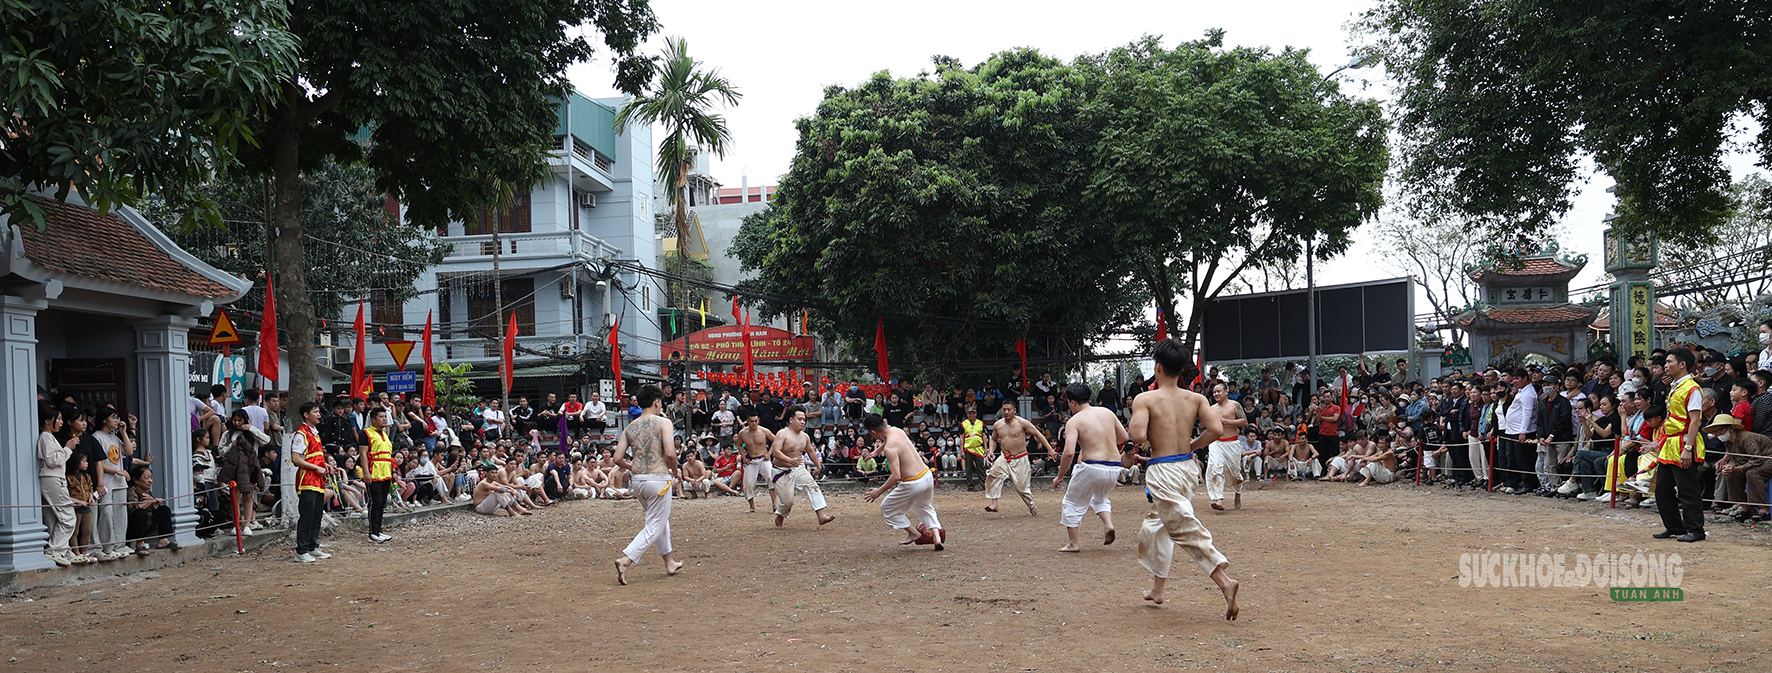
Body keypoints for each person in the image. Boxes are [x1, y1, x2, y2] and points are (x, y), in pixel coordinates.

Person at [1129, 339, 1238, 620]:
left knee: (1181, 528)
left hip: (1164, 469)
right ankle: (1158, 589)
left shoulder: (1145, 399)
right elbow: (1215, 429)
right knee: (1156, 527)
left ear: (1158, 367)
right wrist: (1190, 446)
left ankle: (1225, 581)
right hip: (1187, 467)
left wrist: (1136, 425)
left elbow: (1138, 436)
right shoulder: (1196, 398)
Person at [612, 385, 684, 585]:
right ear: (657, 402)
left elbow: (617, 458)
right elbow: (670, 453)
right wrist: (676, 472)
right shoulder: (664, 422)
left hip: (638, 481)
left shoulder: (630, 427)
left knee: (659, 520)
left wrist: (631, 465)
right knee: (655, 523)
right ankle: (626, 560)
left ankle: (669, 562)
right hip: (658, 478)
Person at [1052, 382, 1130, 552]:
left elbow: (1068, 453)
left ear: (1072, 403)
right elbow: (1124, 436)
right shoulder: (1107, 412)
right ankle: (1108, 524)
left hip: (1093, 466)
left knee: (1071, 501)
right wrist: (1104, 441)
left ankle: (1073, 543)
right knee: (1100, 498)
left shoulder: (1074, 421)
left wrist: (1059, 476)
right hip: (1115, 468)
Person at [862, 414, 944, 550]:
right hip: (927, 476)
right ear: (884, 422)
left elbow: (895, 476)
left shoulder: (890, 448)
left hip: (913, 483)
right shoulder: (897, 430)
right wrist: (877, 451)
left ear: (873, 432)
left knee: (887, 508)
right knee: (925, 506)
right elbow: (887, 439)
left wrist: (878, 491)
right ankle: (936, 536)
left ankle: (913, 533)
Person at [1652, 348, 1707, 542]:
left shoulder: (1692, 388)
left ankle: (1696, 530)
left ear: (1682, 364)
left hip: (1684, 442)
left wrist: (1688, 448)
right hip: (1671, 443)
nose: (1665, 365)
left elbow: (1694, 421)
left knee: (1687, 489)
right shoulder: (1675, 386)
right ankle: (1675, 527)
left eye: (1669, 361)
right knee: (1662, 489)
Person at [768, 409, 836, 527]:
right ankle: (780, 515)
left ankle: (821, 516)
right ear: (791, 420)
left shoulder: (805, 436)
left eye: (804, 419)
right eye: (799, 419)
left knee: (812, 485)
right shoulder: (782, 434)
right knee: (787, 501)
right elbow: (775, 452)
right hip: (780, 470)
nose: (803, 422)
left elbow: (810, 451)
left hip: (798, 468)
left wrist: (819, 466)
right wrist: (790, 460)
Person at [983, 402, 1051, 516]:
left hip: (1021, 458)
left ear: (1014, 410)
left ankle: (1031, 505)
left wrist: (1050, 450)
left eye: (1009, 409)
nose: (1006, 412)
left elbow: (1039, 435)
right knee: (993, 474)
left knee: (1022, 488)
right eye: (1004, 409)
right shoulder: (998, 425)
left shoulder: (1022, 422)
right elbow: (994, 439)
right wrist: (990, 451)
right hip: (1004, 457)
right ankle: (994, 504)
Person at [38, 407, 78, 566]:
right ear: (47, 421)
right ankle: (55, 550)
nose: (61, 422)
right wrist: (68, 448)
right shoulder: (46, 437)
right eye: (58, 419)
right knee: (68, 517)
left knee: (55, 517)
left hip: (52, 478)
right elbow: (53, 460)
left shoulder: (48, 437)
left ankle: (64, 550)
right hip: (53, 478)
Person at [291, 402, 331, 562]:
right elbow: (295, 459)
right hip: (307, 479)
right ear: (306, 415)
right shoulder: (301, 434)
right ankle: (301, 551)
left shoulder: (315, 433)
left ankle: (312, 546)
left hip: (318, 480)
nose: (319, 415)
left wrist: (324, 464)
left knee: (317, 515)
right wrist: (316, 467)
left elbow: (314, 455)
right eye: (316, 412)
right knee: (307, 516)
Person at [1204, 383, 1251, 511]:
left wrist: (1228, 422)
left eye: (1219, 391)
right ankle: (1219, 499)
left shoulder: (1235, 405)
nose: (1216, 394)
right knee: (1216, 467)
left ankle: (1238, 493)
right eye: (1214, 392)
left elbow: (1244, 422)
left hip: (1232, 443)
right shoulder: (1211, 408)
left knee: (1234, 472)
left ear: (1226, 392)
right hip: (1216, 442)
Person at [360, 407, 397, 543]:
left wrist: (393, 471)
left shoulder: (385, 435)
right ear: (373, 419)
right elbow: (363, 454)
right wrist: (366, 472)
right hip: (373, 471)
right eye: (381, 417)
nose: (384, 419)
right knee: (375, 502)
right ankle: (372, 532)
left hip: (386, 472)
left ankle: (378, 530)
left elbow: (389, 455)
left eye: (385, 417)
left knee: (382, 502)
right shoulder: (366, 433)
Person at [734, 412, 778, 513]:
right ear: (748, 421)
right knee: (748, 484)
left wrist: (769, 453)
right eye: (752, 421)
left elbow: (775, 440)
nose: (754, 423)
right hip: (751, 461)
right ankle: (752, 506)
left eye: (756, 421)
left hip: (764, 459)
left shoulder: (764, 431)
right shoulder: (743, 433)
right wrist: (743, 457)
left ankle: (775, 504)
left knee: (771, 479)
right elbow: (739, 445)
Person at [959, 407, 987, 491]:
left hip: (978, 448)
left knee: (981, 467)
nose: (972, 415)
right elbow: (961, 437)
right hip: (968, 448)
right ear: (967, 414)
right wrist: (962, 450)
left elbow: (984, 436)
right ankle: (970, 485)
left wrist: (986, 448)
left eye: (973, 413)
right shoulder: (963, 424)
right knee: (968, 468)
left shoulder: (980, 423)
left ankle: (984, 484)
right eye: (970, 413)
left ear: (976, 414)